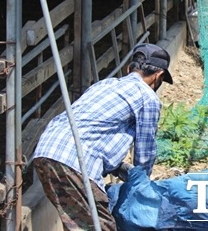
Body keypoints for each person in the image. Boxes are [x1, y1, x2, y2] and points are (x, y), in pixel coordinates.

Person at [33, 43, 174, 230]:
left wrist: (121, 169)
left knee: (80, 224)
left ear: (129, 68)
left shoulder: (106, 84)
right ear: (159, 75)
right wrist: (141, 188)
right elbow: (145, 153)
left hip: (47, 152)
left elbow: (94, 131)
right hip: (76, 161)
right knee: (101, 226)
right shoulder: (147, 97)